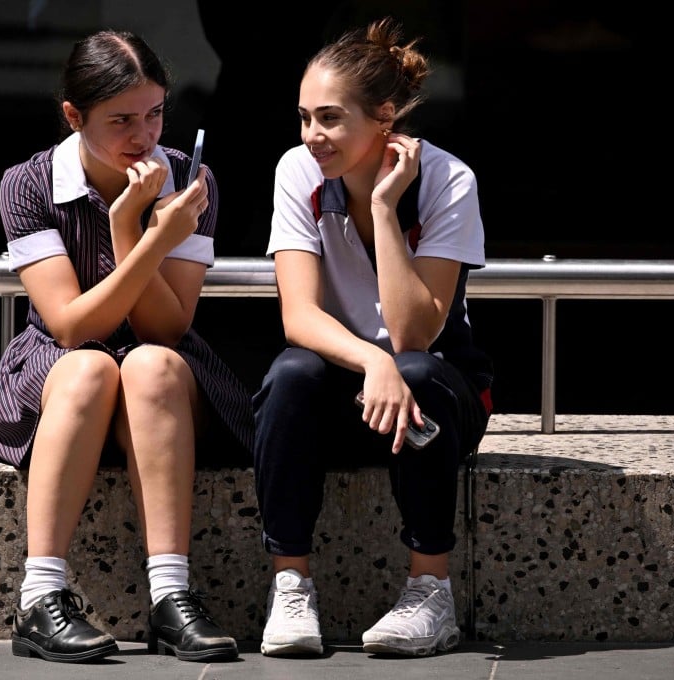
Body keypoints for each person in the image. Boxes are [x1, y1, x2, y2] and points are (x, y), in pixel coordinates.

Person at [0, 29, 254, 664]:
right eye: (122, 119)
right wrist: (138, 230)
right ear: (74, 116)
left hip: (161, 381)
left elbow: (166, 327)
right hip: (62, 365)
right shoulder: (29, 184)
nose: (145, 135)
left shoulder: (187, 179)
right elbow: (74, 324)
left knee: (152, 365)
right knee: (90, 369)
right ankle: (39, 598)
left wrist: (139, 228)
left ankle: (171, 598)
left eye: (156, 113)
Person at [252, 16, 494, 658]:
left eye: (329, 119)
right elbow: (298, 316)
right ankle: (291, 587)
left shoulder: (448, 180)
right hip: (348, 386)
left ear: (384, 116)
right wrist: (369, 361)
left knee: (413, 370)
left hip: (438, 393)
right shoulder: (296, 173)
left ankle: (430, 592)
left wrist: (386, 208)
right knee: (291, 373)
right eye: (304, 118)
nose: (313, 137)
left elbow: (417, 331)